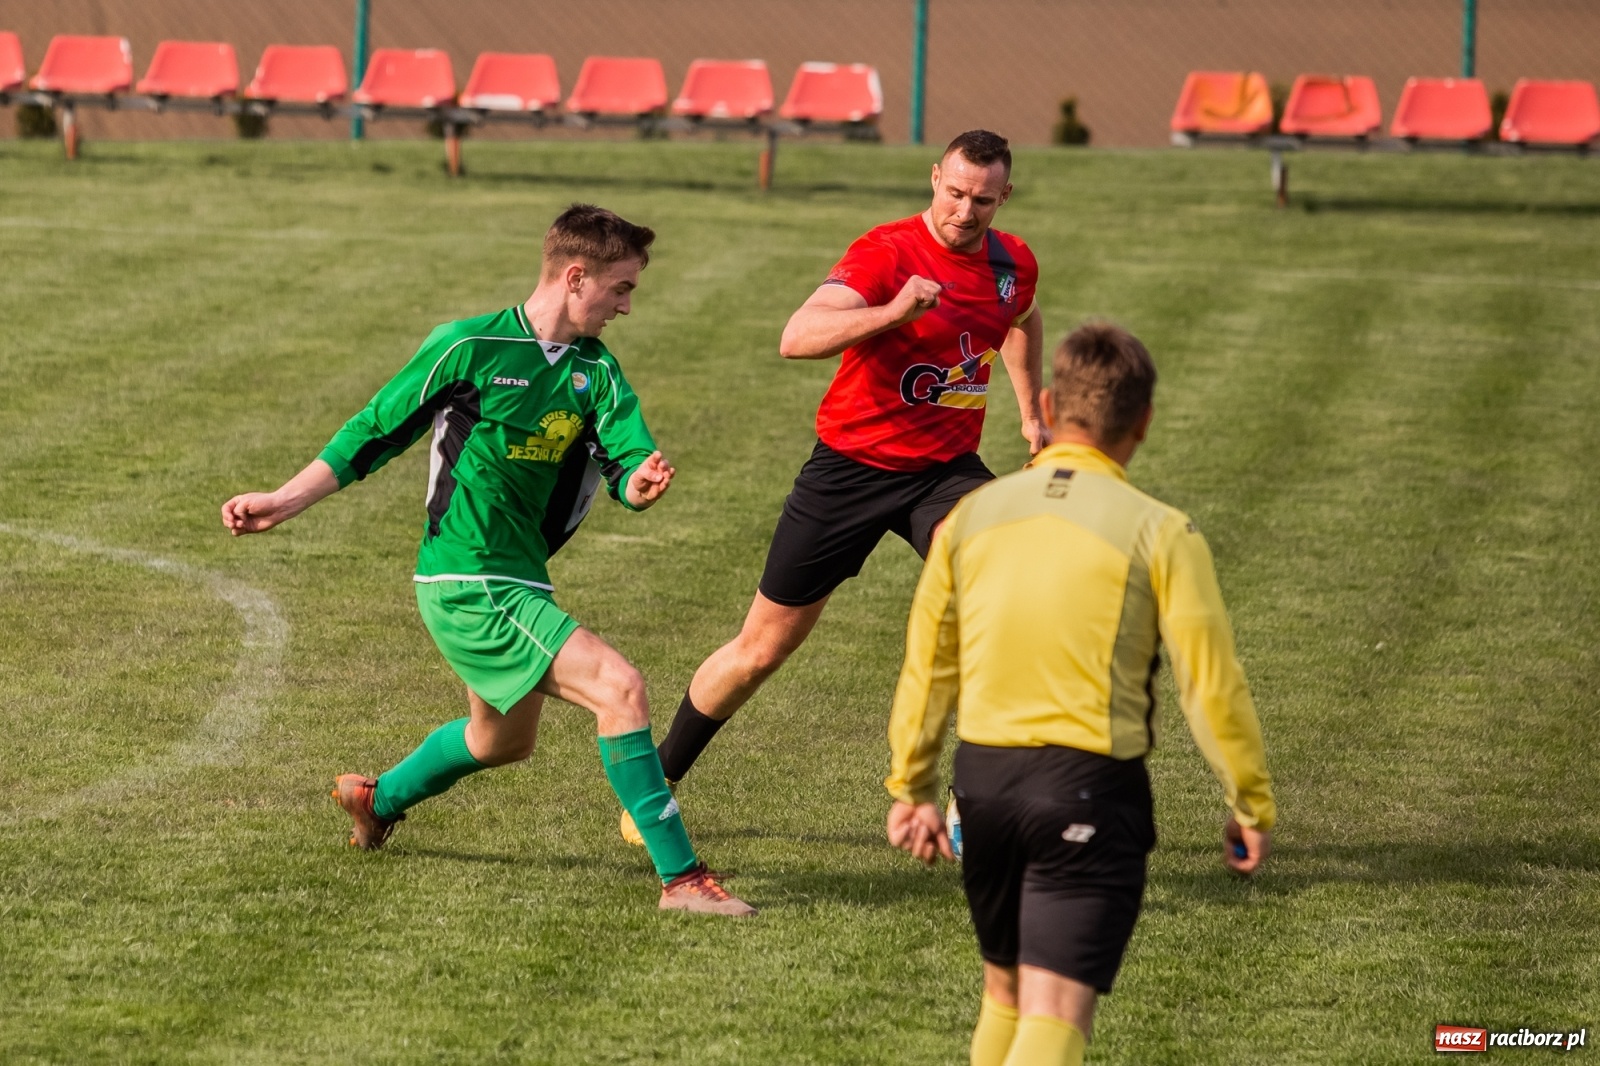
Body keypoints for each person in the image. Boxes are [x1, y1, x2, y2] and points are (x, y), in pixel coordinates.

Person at [220, 204, 754, 917]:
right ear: (575, 277)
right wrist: (284, 500)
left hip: (518, 573)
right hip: (468, 576)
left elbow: (624, 456)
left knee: (501, 740)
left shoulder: (596, 371)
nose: (627, 305)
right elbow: (376, 428)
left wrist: (639, 483)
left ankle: (377, 799)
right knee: (619, 688)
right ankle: (682, 881)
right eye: (620, 288)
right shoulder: (469, 346)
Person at [621, 129, 1046, 845]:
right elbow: (797, 335)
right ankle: (655, 784)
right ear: (934, 177)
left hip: (944, 473)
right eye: (954, 193)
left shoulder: (1012, 263)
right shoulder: (887, 252)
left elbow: (1021, 321)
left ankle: (975, 803)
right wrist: (892, 313)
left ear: (1004, 196)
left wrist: (1034, 416)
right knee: (760, 650)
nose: (965, 212)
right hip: (849, 470)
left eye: (982, 200)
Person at [883, 322, 1277, 1065]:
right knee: (1058, 1009)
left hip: (986, 786)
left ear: (1050, 401)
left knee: (1005, 992)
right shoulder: (1161, 531)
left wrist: (912, 786)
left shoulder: (971, 516)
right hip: (1089, 787)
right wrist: (1249, 801)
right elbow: (1210, 685)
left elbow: (928, 663)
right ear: (1145, 422)